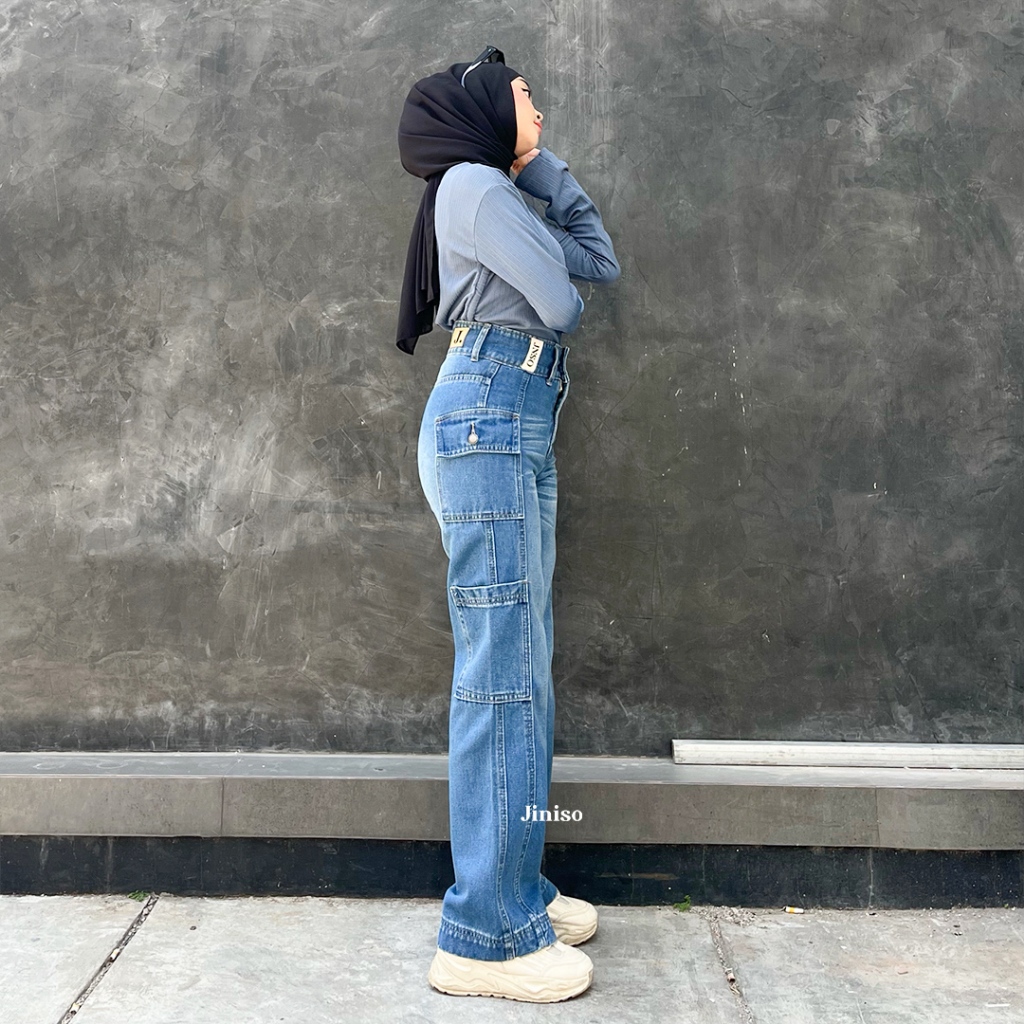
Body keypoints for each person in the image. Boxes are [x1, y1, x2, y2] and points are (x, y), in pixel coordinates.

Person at [396, 45, 620, 1002]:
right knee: (499, 673)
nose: (539, 105)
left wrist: (544, 168)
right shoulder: (474, 186)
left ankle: (517, 890)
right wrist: (525, 193)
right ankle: (484, 936)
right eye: (526, 96)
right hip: (490, 411)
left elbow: (598, 260)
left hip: (516, 416)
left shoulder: (504, 190)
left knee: (522, 664)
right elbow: (564, 303)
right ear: (487, 106)